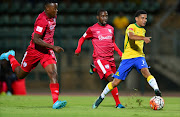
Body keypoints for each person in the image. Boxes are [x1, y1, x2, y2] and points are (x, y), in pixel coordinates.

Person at [0, 0, 67, 109]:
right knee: (19, 75)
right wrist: (53, 47)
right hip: (34, 51)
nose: (57, 11)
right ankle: (10, 56)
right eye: (54, 8)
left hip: (46, 52)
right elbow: (36, 39)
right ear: (47, 9)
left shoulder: (53, 16)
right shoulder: (42, 20)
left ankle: (56, 102)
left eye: (57, 8)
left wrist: (50, 47)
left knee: (53, 73)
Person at [92, 10, 162, 109]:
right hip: (127, 58)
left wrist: (143, 38)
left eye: (146, 18)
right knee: (115, 82)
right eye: (142, 18)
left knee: (146, 72)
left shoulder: (143, 30)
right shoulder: (131, 27)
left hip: (139, 57)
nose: (145, 20)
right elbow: (131, 36)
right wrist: (143, 38)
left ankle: (157, 91)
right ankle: (101, 97)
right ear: (136, 18)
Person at [75, 9, 125, 109]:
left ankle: (94, 68)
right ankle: (106, 100)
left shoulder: (111, 28)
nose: (105, 18)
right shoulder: (92, 29)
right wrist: (78, 47)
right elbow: (82, 38)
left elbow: (112, 43)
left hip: (110, 59)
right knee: (112, 79)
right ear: (98, 17)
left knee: (115, 81)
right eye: (102, 16)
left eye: (106, 16)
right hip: (100, 59)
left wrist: (120, 52)